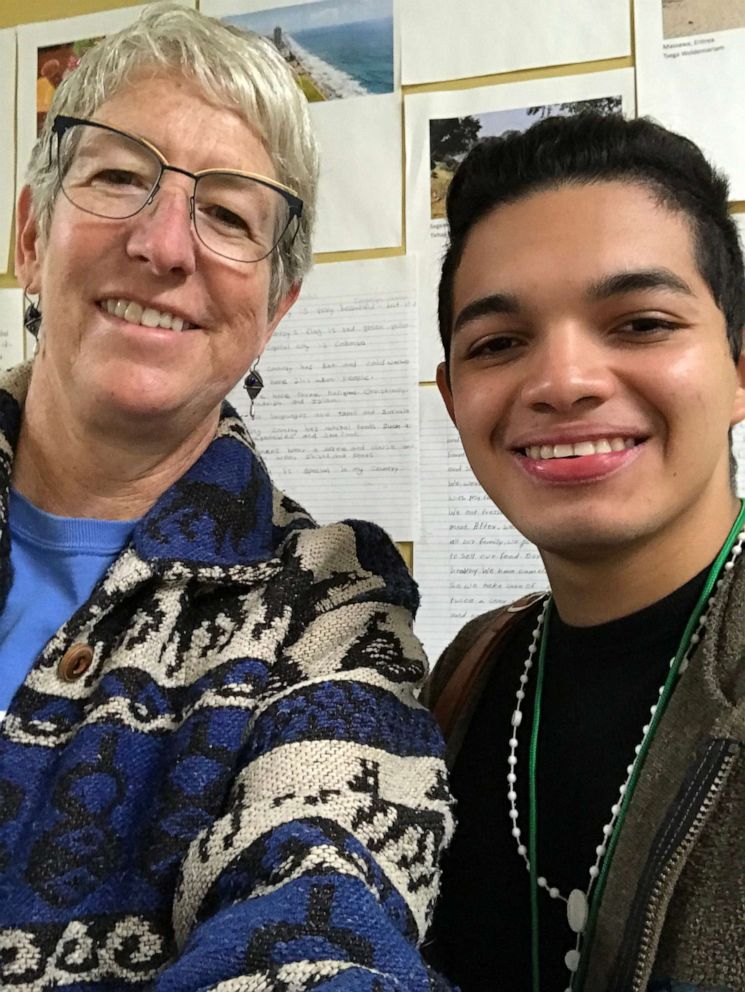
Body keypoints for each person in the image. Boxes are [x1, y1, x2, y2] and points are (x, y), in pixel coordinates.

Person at [0, 4, 454, 988]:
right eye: (119, 176)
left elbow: (318, 918)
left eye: (229, 214)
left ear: (273, 311)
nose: (165, 245)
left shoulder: (325, 613)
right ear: (32, 236)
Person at [424, 112, 745, 992]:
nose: (562, 381)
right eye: (497, 344)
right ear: (454, 399)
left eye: (639, 323)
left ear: (739, 367)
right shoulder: (465, 673)